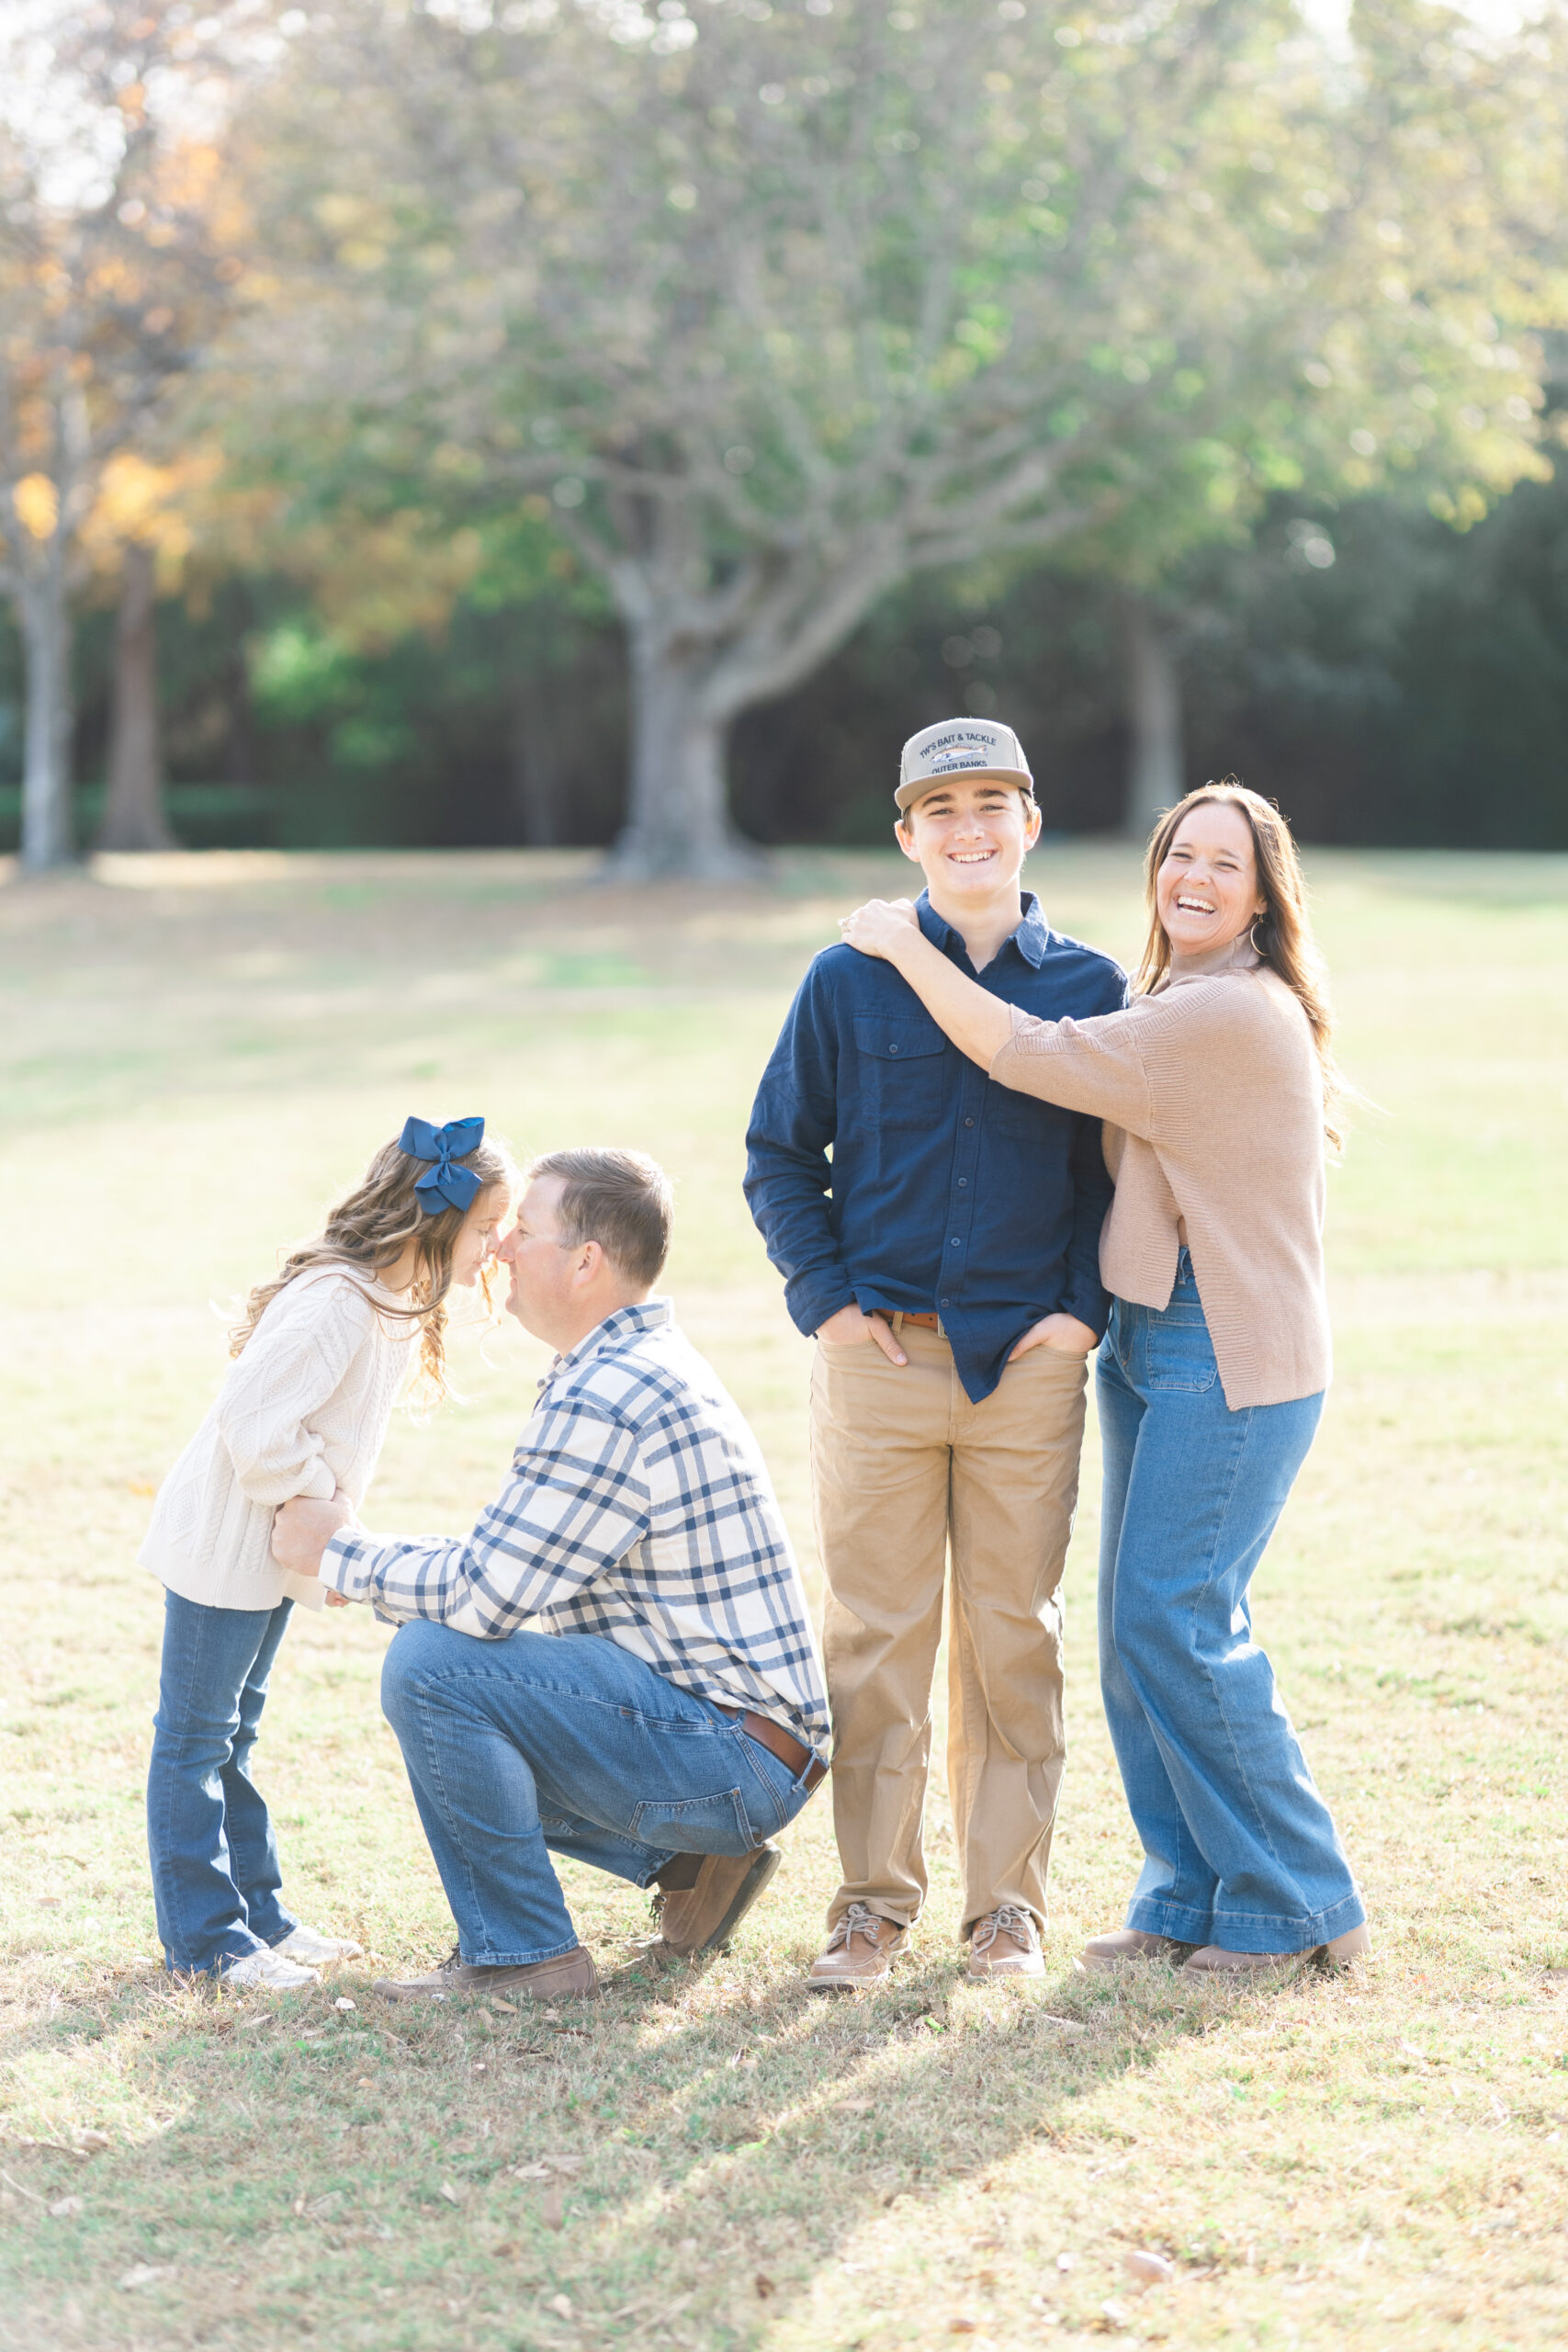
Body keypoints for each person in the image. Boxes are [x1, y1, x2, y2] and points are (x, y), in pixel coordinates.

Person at [840, 780, 1371, 1974]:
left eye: (1221, 865)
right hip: (1152, 1337)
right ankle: (1184, 1893)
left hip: (1228, 1353)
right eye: (1177, 854)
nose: (1191, 876)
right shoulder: (1172, 995)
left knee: (1176, 1623)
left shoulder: (1226, 1013)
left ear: (1258, 896)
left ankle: (1295, 1903)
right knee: (1140, 1632)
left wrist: (895, 942)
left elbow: (1017, 1051)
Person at [745, 718, 1126, 1988]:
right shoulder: (844, 980)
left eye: (990, 803)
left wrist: (1077, 1312)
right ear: (905, 835)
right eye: (939, 809)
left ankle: (1004, 1912)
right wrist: (827, 1302)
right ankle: (869, 1905)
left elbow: (1109, 1171)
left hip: (1024, 1363)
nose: (967, 828)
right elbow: (778, 1153)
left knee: (1014, 1634)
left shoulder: (1086, 989)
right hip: (880, 1361)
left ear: (1029, 819)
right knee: (874, 1635)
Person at [271, 1148, 829, 2004]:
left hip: (731, 1756)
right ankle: (690, 1862)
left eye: (520, 1232)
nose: (495, 1251)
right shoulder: (627, 1363)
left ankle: (525, 1954)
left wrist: (335, 1551)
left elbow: (483, 1596)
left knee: (434, 1669)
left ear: (584, 1263)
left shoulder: (609, 1391)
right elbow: (505, 1569)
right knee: (465, 1672)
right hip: (738, 1742)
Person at [140, 1115, 514, 1989]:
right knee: (196, 1740)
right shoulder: (336, 1301)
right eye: (489, 1227)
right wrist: (328, 1517)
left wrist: (324, 1538)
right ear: (438, 1219)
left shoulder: (384, 1302)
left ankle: (257, 1917)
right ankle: (206, 1941)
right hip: (225, 1546)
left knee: (238, 1734)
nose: (496, 1248)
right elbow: (254, 1425)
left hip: (271, 1550)